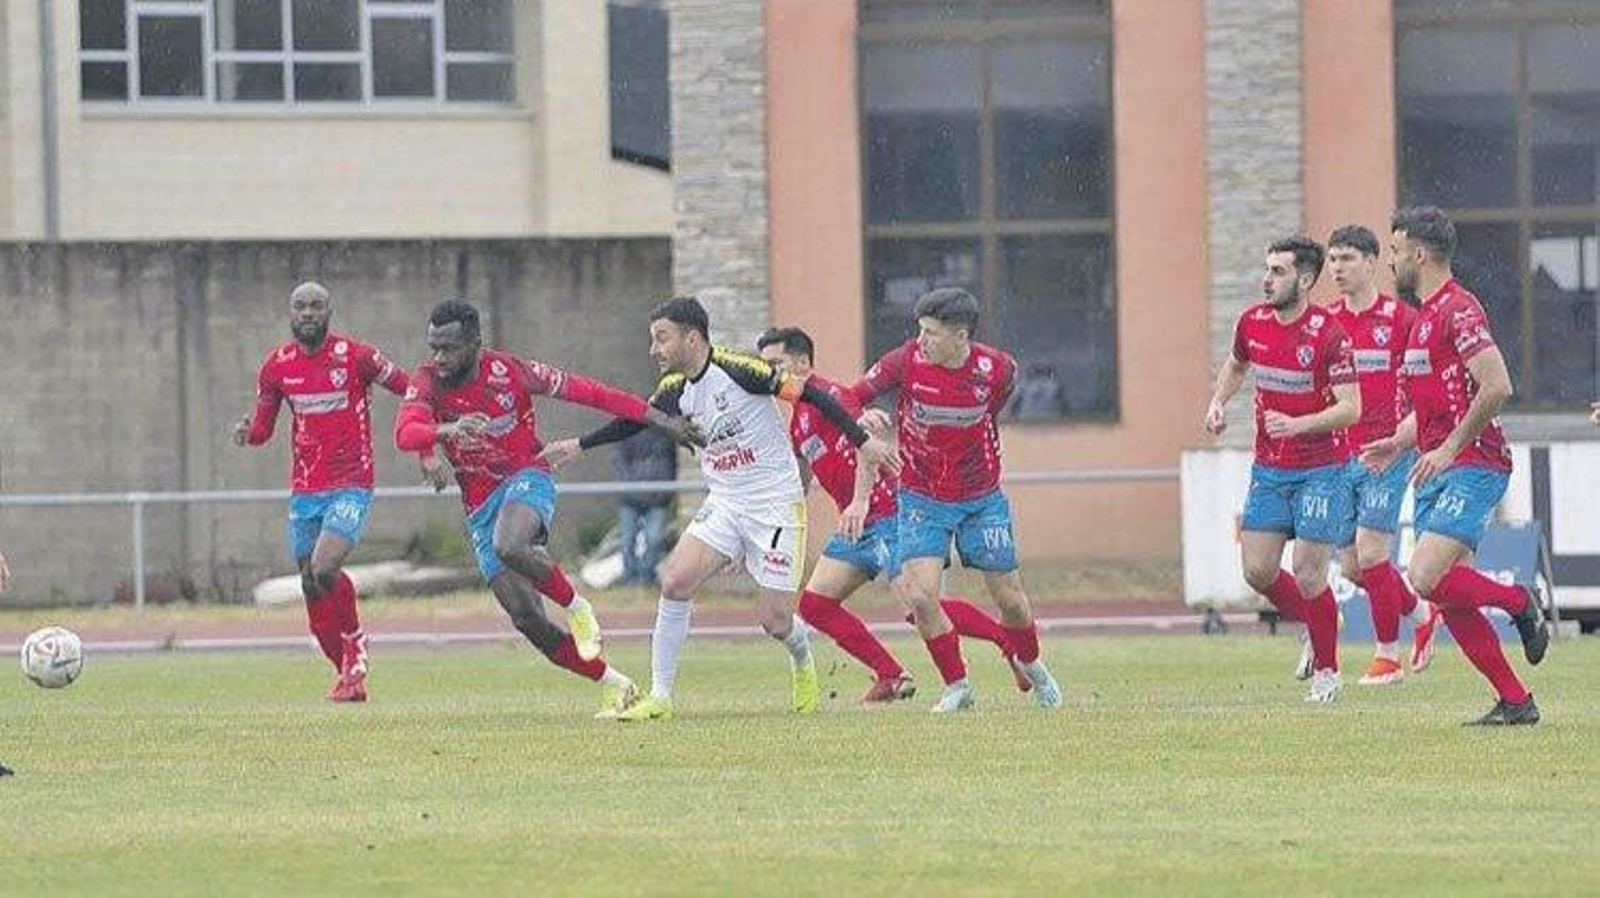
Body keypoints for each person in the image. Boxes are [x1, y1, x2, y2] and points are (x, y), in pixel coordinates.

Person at [544, 296, 899, 721]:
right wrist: (578, 446)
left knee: (776, 622)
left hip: (774, 504)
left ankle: (802, 659)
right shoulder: (675, 389)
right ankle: (660, 697)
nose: (653, 350)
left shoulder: (741, 370)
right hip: (726, 501)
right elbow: (639, 417)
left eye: (662, 339)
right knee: (674, 581)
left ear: (691, 338)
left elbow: (815, 397)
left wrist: (864, 442)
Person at [394, 299, 699, 718]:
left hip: (526, 477)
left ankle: (578, 607)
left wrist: (661, 420)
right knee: (527, 620)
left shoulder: (511, 372)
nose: (439, 358)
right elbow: (405, 432)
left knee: (511, 544)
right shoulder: (428, 379)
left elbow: (592, 393)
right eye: (434, 347)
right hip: (479, 502)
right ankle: (615, 683)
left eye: (449, 348)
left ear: (477, 344)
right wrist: (440, 436)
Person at [757, 327, 1032, 704]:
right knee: (815, 605)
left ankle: (1007, 643)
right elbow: (800, 478)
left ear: (802, 363)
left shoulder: (830, 396)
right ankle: (891, 675)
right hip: (857, 524)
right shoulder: (797, 419)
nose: (768, 372)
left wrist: (859, 497)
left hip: (888, 510)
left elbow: (868, 447)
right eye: (763, 365)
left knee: (917, 604)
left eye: (775, 364)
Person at [1360, 206, 1549, 726]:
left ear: (1418, 255)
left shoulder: (1459, 310)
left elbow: (1497, 385)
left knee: (1423, 576)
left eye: (1394, 252)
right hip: (1435, 467)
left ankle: (1519, 599)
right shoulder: (1424, 320)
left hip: (1474, 463)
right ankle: (1515, 701)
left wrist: (1450, 448)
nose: (1390, 261)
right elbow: (1430, 408)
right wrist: (1398, 442)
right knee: (1449, 592)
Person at [850, 288, 1064, 713]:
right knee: (920, 594)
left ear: (960, 336)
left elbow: (996, 405)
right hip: (921, 495)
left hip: (981, 496)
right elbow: (853, 394)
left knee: (1010, 598)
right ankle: (958, 686)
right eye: (920, 331)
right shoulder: (904, 361)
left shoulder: (997, 368)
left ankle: (1034, 667)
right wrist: (861, 416)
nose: (921, 340)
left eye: (931, 333)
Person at [233, 281, 440, 703]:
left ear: (328, 313)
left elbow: (414, 393)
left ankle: (357, 639)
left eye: (316, 306)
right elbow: (263, 429)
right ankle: (348, 675)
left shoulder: (357, 358)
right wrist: (246, 434)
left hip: (351, 482)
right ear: (290, 313)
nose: (308, 313)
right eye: (300, 307)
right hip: (306, 487)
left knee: (325, 567)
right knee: (311, 584)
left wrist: (427, 451)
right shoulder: (277, 366)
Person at [1205, 237, 1360, 705]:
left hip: (1322, 469)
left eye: (1278, 271)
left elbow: (1351, 409)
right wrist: (1217, 402)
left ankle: (1328, 673)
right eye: (1267, 269)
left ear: (1305, 280)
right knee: (1256, 570)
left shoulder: (1330, 335)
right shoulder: (1252, 322)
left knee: (1309, 573)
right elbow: (1236, 365)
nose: (1266, 279)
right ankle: (1317, 625)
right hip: (1271, 468)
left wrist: (1298, 424)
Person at [1322, 224, 1440, 686]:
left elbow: (1423, 390)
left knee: (1372, 553)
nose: (1338, 268)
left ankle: (1386, 658)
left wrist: (1402, 442)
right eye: (1333, 260)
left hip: (1387, 453)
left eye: (1347, 259)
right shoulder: (1327, 322)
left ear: (1372, 262)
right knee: (1352, 565)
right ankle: (1422, 610)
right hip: (1340, 456)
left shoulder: (1402, 320)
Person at [612, 426, 677, 587]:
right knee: (627, 541)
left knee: (654, 539)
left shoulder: (665, 437)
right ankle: (630, 579)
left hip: (658, 499)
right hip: (630, 498)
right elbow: (619, 465)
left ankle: (647, 578)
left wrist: (665, 493)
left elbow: (671, 466)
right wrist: (634, 490)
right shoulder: (626, 434)